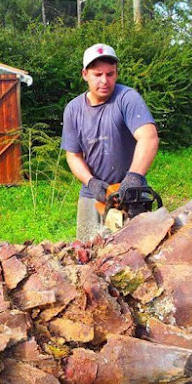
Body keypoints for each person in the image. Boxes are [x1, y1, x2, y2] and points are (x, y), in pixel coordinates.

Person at [61, 43, 159, 241]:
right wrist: (91, 181)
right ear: (85, 74)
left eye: (110, 74)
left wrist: (134, 177)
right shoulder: (73, 110)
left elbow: (148, 137)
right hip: (93, 195)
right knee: (88, 252)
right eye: (98, 74)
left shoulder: (127, 98)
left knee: (135, 254)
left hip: (130, 195)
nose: (105, 81)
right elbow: (73, 155)